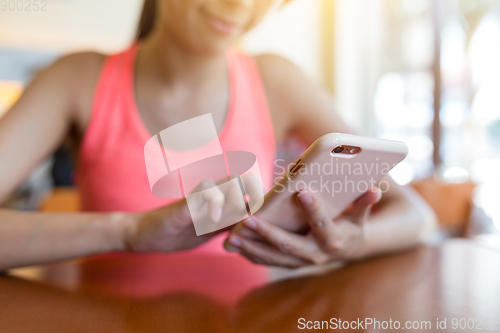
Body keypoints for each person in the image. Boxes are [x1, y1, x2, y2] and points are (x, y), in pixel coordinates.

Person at [0, 0, 436, 271]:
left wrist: (350, 245)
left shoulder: (277, 81)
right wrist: (129, 232)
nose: (243, 3)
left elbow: (417, 216)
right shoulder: (76, 79)